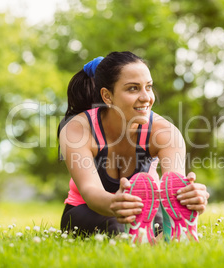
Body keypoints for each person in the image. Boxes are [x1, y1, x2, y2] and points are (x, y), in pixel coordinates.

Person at [58, 51, 209, 243]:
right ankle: (144, 239)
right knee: (117, 227)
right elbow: (89, 191)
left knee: (160, 226)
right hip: (86, 210)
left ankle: (166, 236)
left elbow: (173, 185)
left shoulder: (164, 133)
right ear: (107, 96)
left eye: (149, 87)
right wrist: (115, 203)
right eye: (133, 89)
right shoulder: (78, 129)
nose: (146, 97)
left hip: (146, 210)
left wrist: (188, 197)